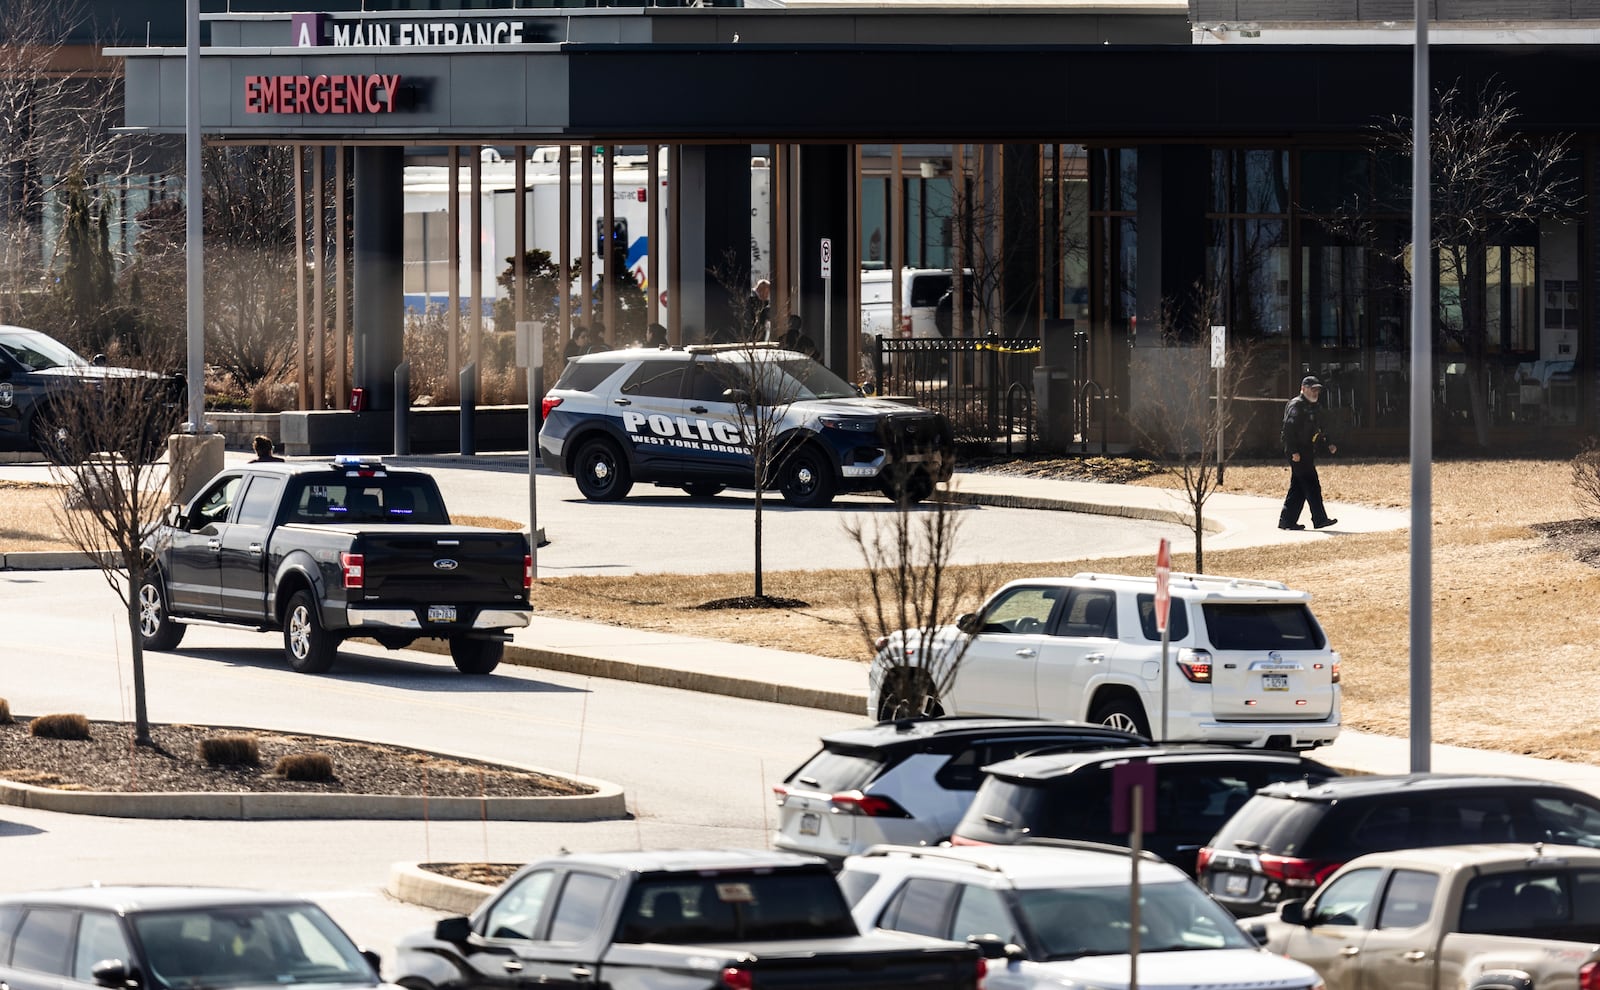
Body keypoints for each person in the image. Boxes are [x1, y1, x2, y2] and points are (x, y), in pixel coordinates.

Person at [1279, 375, 1339, 531]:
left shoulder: (1315, 407)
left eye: (1317, 390)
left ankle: (1287, 521)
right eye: (1312, 390)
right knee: (1312, 484)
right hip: (1297, 452)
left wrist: (1329, 443)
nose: (1315, 393)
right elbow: (1288, 431)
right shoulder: (1296, 406)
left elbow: (1321, 427)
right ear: (1303, 389)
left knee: (1298, 488)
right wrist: (1293, 451)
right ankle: (1319, 519)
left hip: (1307, 451)